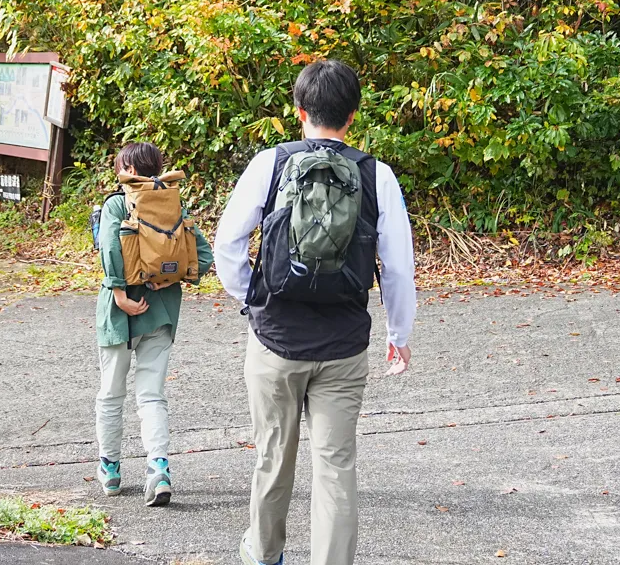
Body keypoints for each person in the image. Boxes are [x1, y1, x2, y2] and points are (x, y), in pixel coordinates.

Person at [214, 59, 417, 565]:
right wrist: (400, 331)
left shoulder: (271, 163)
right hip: (344, 348)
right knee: (336, 466)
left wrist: (252, 300)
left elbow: (227, 244)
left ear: (299, 111)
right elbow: (396, 266)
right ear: (353, 116)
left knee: (271, 459)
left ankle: (264, 555)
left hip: (275, 342)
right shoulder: (377, 175)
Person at [94, 140, 214, 506]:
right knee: (151, 395)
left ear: (127, 169)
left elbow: (110, 248)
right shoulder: (174, 203)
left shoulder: (117, 202)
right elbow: (204, 256)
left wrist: (118, 293)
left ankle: (111, 469)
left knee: (111, 392)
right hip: (161, 310)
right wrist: (170, 279)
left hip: (119, 313)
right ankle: (158, 467)